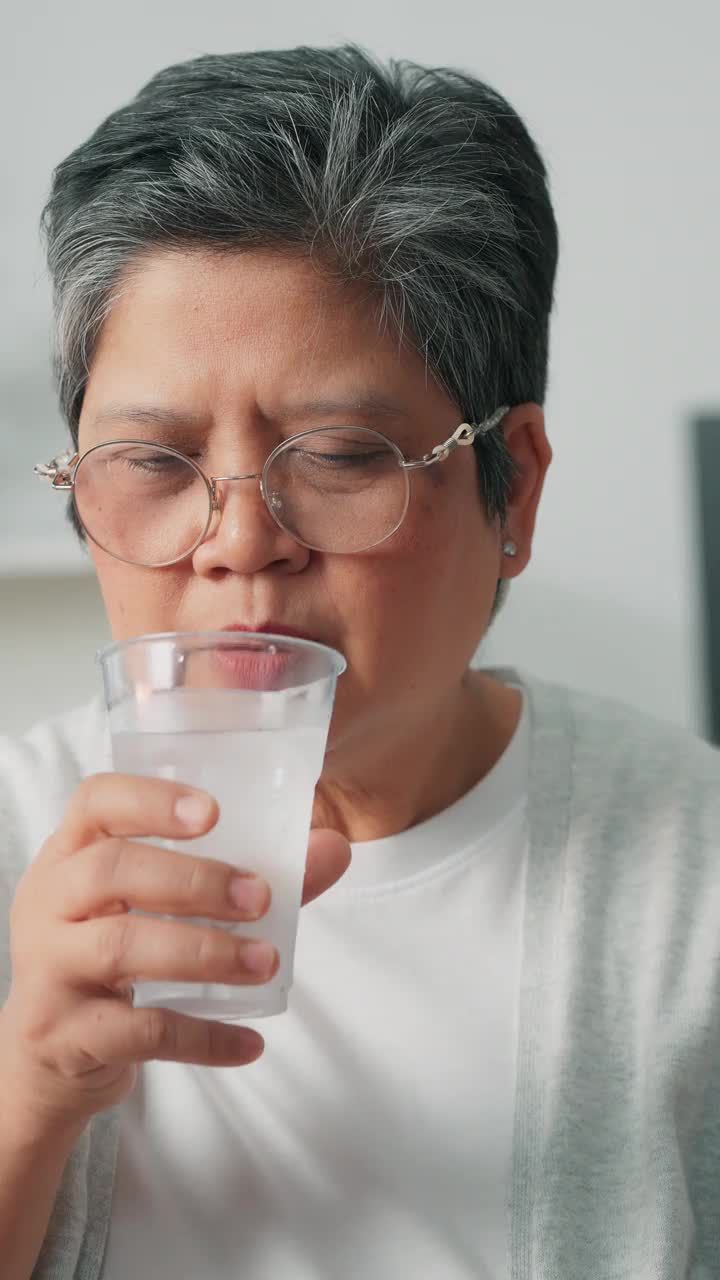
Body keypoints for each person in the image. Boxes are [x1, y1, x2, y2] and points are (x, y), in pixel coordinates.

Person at [0, 44, 718, 1280]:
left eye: (338, 457)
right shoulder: (13, 832)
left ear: (515, 488)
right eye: (157, 466)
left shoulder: (691, 886)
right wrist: (33, 1093)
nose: (238, 546)